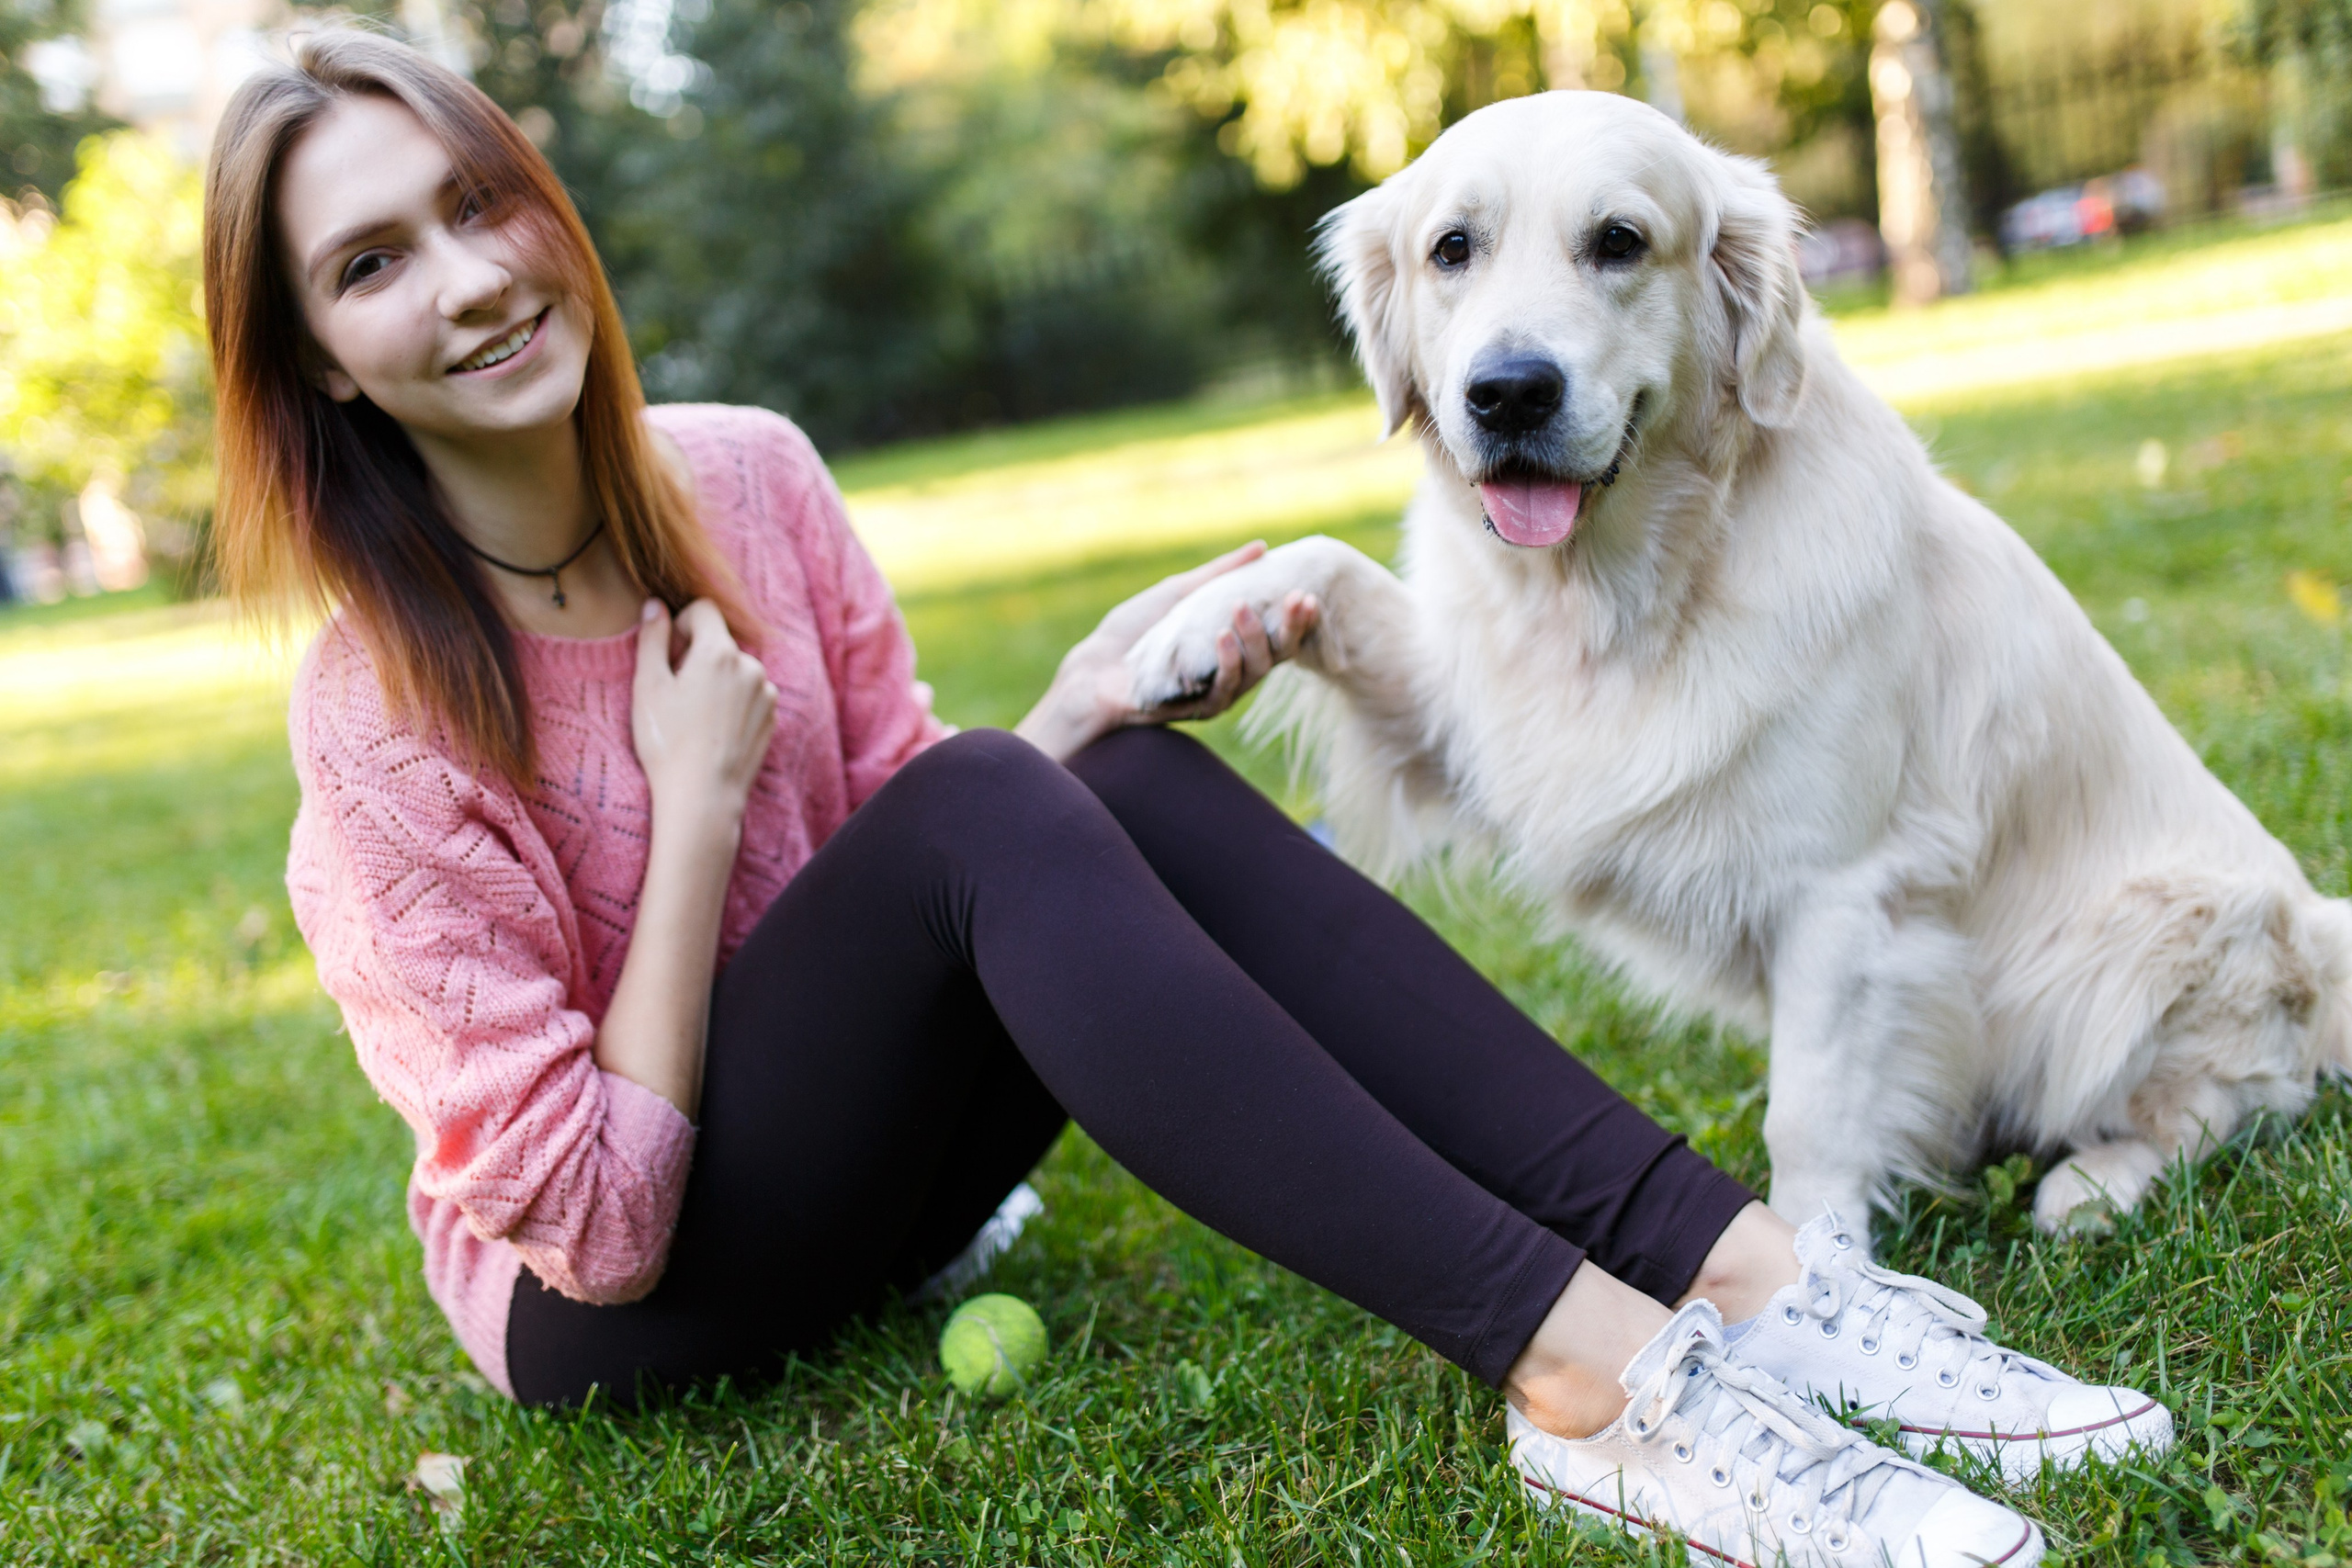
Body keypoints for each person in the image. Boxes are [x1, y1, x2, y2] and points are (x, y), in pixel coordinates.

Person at [205, 30, 2165, 1565]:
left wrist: (1075, 722)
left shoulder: (749, 477)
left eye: (479, 205)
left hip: (889, 1178)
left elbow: (908, 872)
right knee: (995, 804)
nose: (467, 280)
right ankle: (1590, 1375)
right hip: (628, 1308)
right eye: (372, 266)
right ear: (323, 365)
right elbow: (600, 1224)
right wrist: (691, 806)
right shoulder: (373, 721)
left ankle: (1748, 1272)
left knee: (1109, 769)